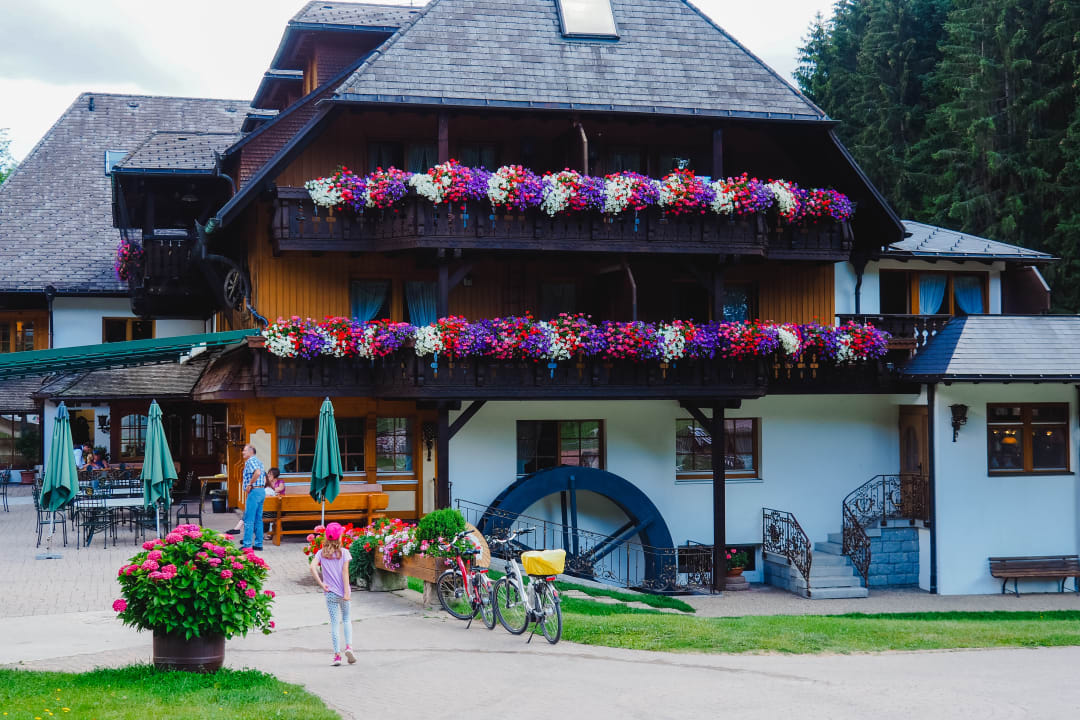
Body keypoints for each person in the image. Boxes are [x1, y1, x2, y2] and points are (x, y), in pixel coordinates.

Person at [309, 522, 355, 666]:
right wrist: (347, 592)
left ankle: (337, 656)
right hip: (343, 593)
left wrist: (322, 584)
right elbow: (345, 572)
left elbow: (312, 567)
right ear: (340, 536)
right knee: (346, 619)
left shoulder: (321, 553)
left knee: (334, 623)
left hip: (330, 594)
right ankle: (349, 647)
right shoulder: (345, 553)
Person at [226, 466, 284, 536]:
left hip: (266, 514)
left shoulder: (266, 490)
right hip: (270, 513)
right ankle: (239, 529)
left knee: (250, 511)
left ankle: (239, 529)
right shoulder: (269, 489)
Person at [239, 444, 265, 550]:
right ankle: (259, 544)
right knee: (258, 519)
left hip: (254, 491)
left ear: (250, 452)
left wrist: (250, 484)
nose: (243, 452)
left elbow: (257, 472)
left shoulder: (250, 461)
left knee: (249, 519)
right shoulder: (259, 461)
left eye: (244, 451)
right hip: (261, 490)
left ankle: (247, 545)